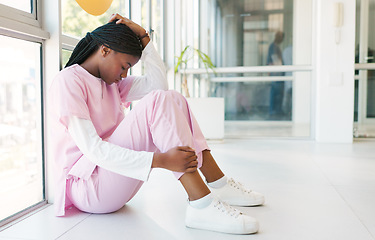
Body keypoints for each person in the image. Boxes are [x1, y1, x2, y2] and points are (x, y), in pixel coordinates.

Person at [48, 13, 264, 235]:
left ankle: (218, 183)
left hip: (112, 178)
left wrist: (144, 38)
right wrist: (160, 160)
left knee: (173, 98)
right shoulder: (68, 82)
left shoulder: (110, 83)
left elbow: (158, 86)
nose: (124, 75)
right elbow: (94, 150)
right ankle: (202, 204)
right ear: (104, 50)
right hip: (88, 188)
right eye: (124, 66)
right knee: (159, 101)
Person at [266, 31, 285, 120]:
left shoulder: (276, 47)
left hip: (278, 73)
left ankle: (277, 110)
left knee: (278, 93)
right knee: (275, 92)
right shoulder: (273, 47)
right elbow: (274, 60)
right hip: (276, 73)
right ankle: (273, 111)